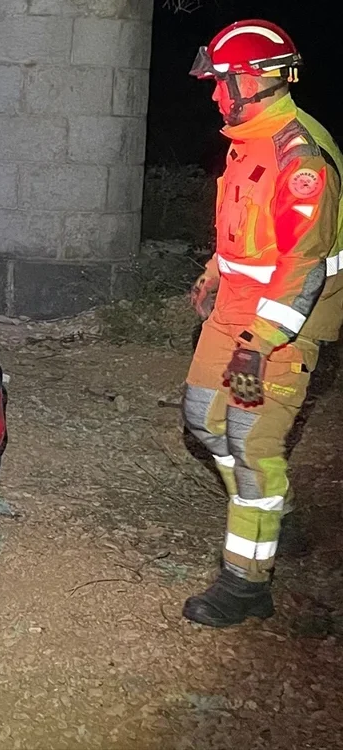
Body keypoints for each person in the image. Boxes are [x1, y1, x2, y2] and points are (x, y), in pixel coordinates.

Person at [183, 20, 342, 627]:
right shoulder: (248, 139)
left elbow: (301, 268)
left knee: (253, 448)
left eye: (220, 81)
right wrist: (213, 271)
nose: (213, 93)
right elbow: (245, 232)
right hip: (233, 310)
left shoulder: (301, 159)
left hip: (282, 324)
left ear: (251, 81)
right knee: (203, 418)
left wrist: (260, 344)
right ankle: (274, 509)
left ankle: (247, 583)